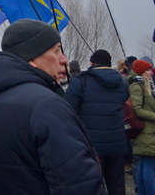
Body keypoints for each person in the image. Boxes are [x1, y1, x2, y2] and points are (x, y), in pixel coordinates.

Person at [0, 19, 107, 195]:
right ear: (32, 56)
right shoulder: (47, 105)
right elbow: (78, 184)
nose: (64, 59)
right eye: (56, 50)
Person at [64, 49, 129, 195]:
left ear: (92, 63)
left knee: (91, 187)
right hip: (117, 145)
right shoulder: (123, 84)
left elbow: (67, 112)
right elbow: (124, 100)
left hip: (90, 147)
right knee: (117, 187)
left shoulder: (81, 81)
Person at [129, 59, 155, 195]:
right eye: (147, 70)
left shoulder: (143, 86)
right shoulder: (137, 87)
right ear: (141, 71)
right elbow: (137, 110)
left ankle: (143, 192)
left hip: (147, 131)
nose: (150, 73)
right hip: (147, 131)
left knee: (145, 163)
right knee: (149, 164)